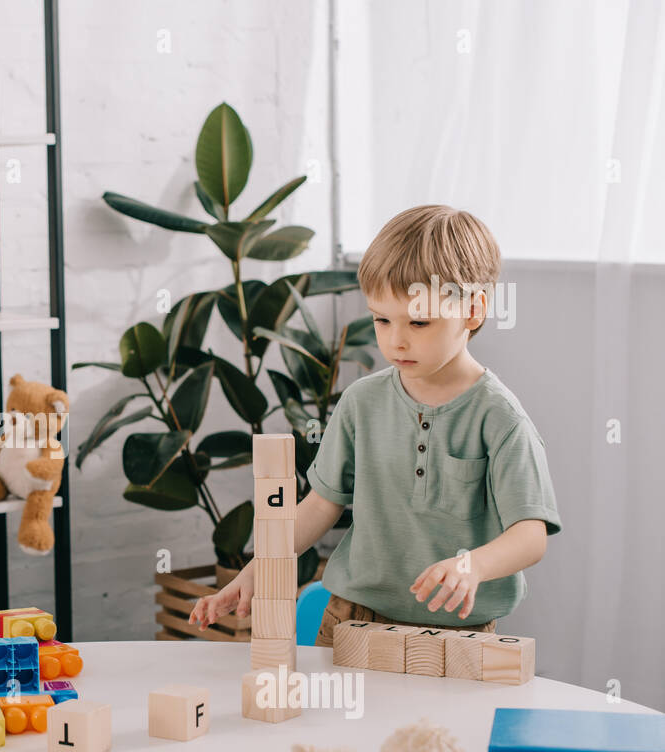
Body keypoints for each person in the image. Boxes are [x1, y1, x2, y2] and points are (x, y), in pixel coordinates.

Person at [191, 205, 561, 644]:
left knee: (434, 720)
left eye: (419, 322)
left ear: (474, 311)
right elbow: (319, 506)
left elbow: (531, 535)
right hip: (351, 617)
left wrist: (471, 566)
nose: (395, 340)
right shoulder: (360, 402)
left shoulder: (500, 419)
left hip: (458, 632)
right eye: (381, 319)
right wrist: (260, 567)